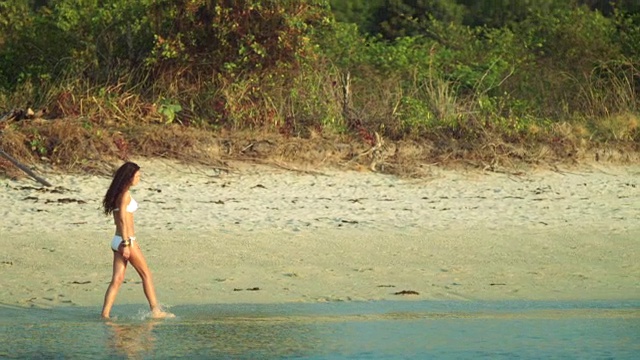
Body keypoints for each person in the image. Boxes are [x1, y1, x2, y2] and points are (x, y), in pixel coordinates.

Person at [101, 161, 174, 319]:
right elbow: (122, 220)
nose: (139, 178)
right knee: (146, 274)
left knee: (117, 279)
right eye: (137, 175)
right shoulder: (125, 196)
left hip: (116, 240)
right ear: (129, 177)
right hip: (125, 240)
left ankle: (105, 315)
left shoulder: (118, 193)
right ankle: (156, 310)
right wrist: (127, 243)